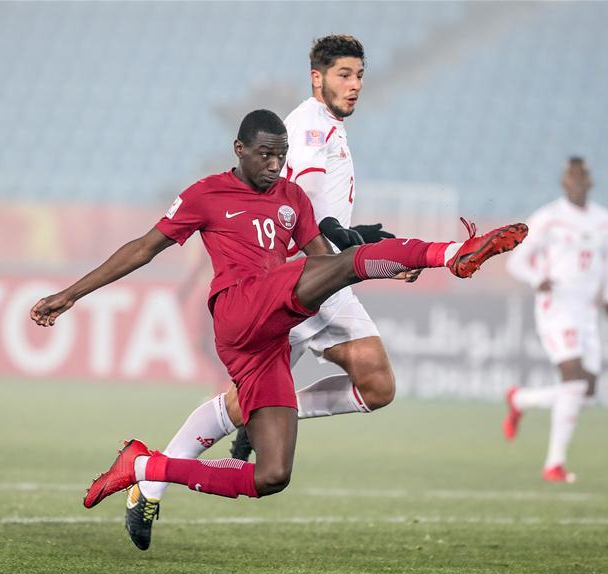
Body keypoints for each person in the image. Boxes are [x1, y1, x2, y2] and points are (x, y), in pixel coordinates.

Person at [30, 109, 527, 520]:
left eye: (281, 156)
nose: (274, 164)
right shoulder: (206, 194)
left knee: (272, 477)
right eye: (265, 154)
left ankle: (145, 468)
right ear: (239, 149)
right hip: (238, 306)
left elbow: (318, 259)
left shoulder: (291, 197)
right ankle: (452, 254)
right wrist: (71, 295)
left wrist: (383, 267)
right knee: (348, 264)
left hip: (265, 340)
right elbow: (143, 248)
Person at [123, 35, 413, 551]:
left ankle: (253, 426)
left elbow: (321, 219)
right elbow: (291, 209)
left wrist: (370, 244)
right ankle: (152, 482)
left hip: (325, 275)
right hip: (292, 285)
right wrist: (366, 251)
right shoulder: (302, 130)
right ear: (316, 76)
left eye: (360, 75)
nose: (355, 85)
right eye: (344, 75)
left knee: (377, 385)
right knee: (243, 405)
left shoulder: (331, 127)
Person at [502, 157, 608, 483]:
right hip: (557, 306)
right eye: (571, 177)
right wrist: (536, 277)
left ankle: (520, 399)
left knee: (586, 392)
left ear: (590, 182)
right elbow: (517, 262)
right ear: (564, 183)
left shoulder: (604, 220)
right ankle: (554, 464)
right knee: (573, 378)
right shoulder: (547, 218)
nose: (577, 182)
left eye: (582, 176)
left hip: (587, 311)